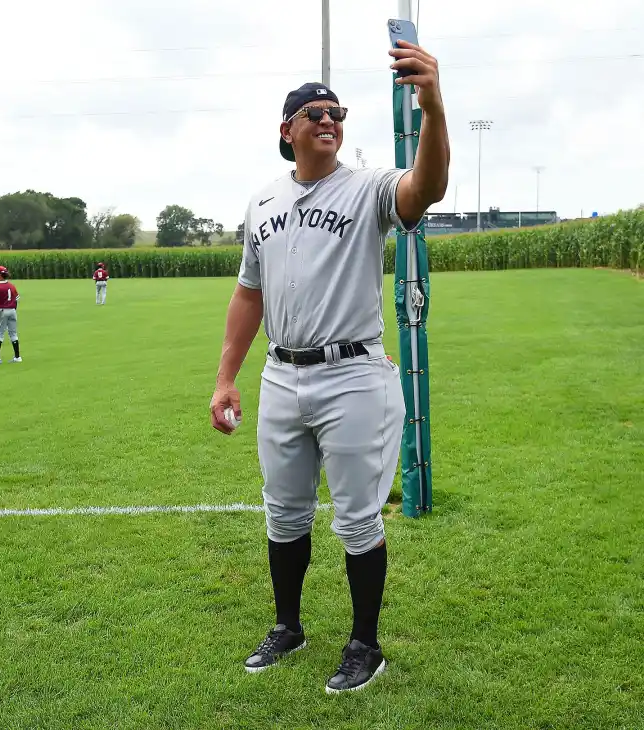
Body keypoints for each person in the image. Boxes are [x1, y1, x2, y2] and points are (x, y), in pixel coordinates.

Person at [209, 38, 449, 694]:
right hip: (281, 375)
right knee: (282, 512)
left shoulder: (368, 188)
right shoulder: (262, 203)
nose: (327, 119)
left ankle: (364, 645)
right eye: (313, 112)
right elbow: (247, 294)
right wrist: (227, 376)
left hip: (352, 375)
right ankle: (289, 626)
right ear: (286, 131)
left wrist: (432, 107)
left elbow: (426, 186)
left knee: (356, 519)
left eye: (336, 112)